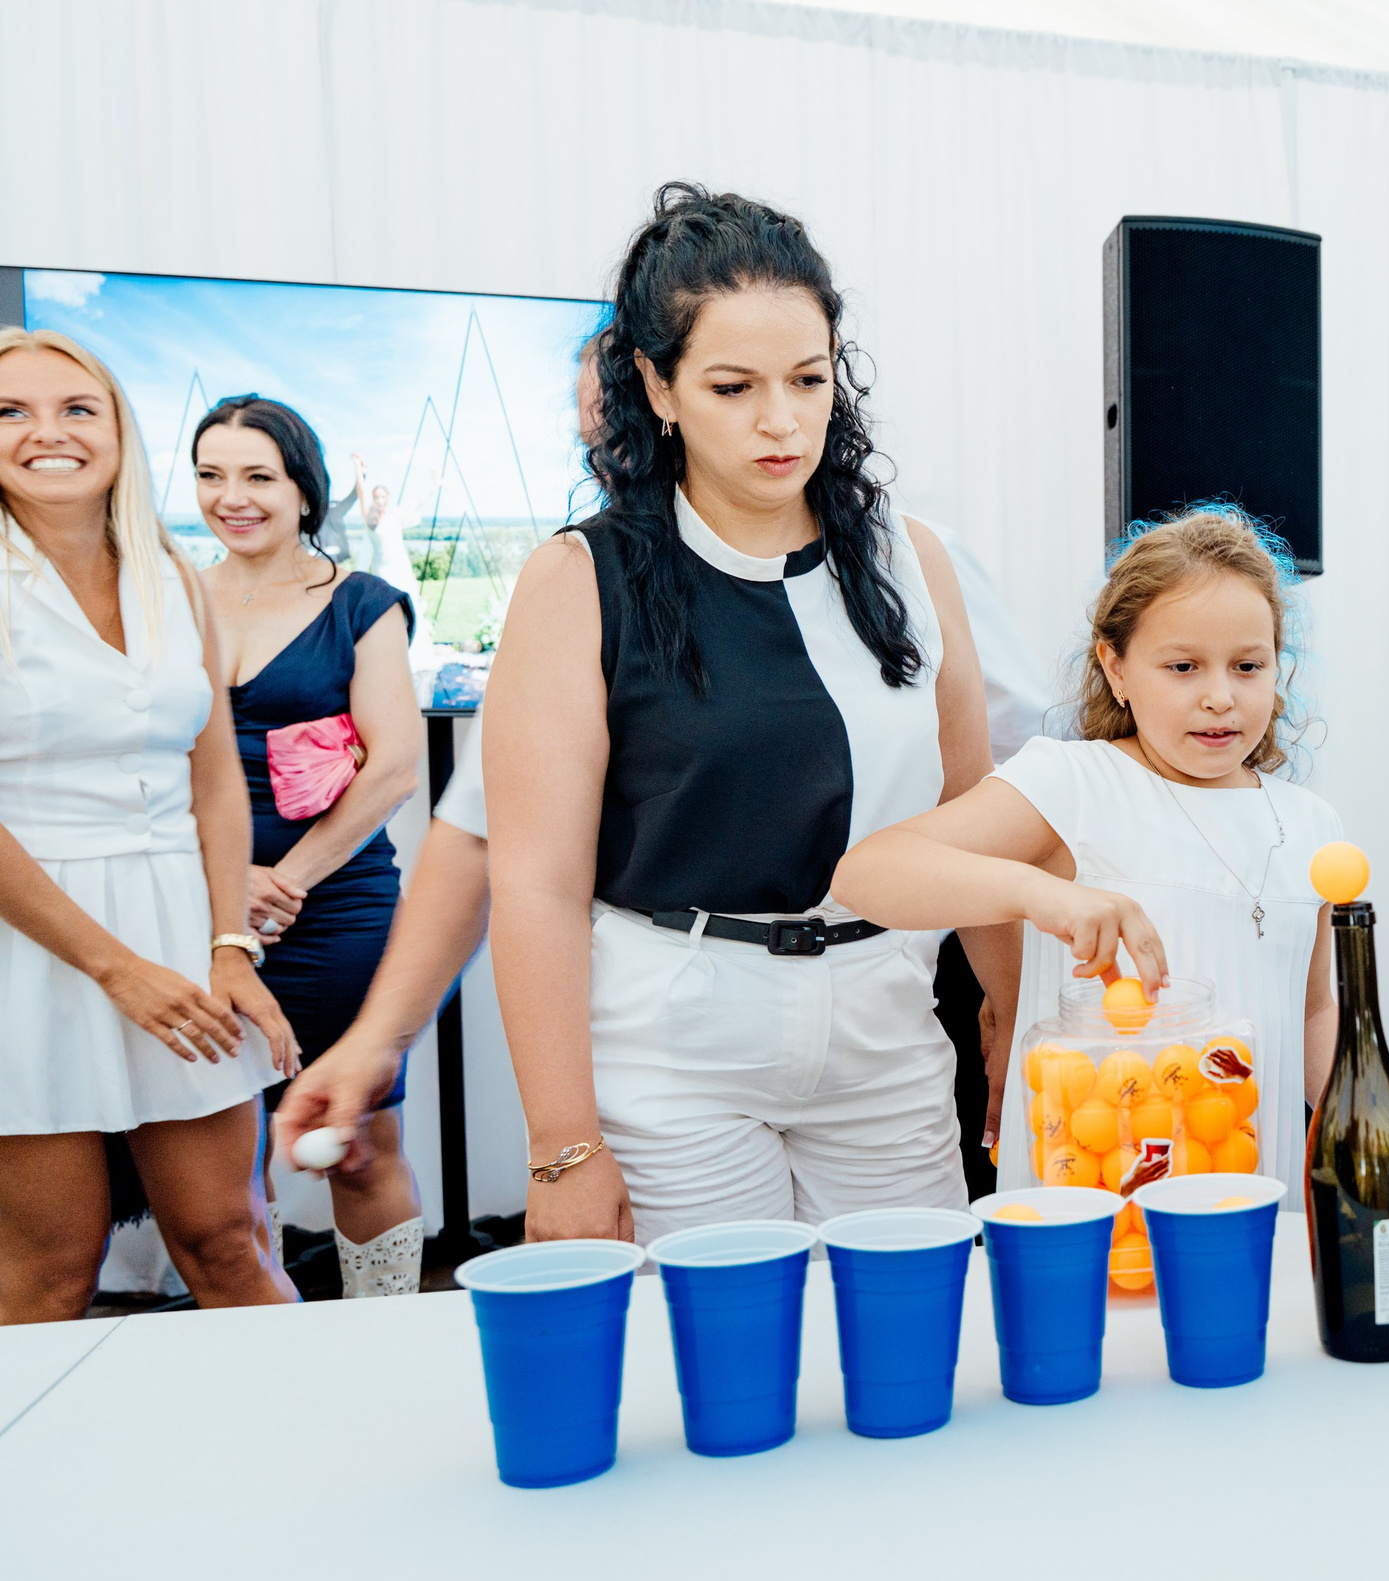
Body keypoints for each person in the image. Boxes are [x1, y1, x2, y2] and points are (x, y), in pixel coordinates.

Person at [485, 183, 1018, 1245]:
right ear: (658, 385)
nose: (782, 421)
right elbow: (537, 883)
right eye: (733, 386)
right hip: (676, 1046)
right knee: (716, 1380)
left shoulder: (911, 560)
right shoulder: (580, 579)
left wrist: (1011, 1017)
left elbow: (973, 807)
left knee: (905, 1361)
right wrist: (563, 1148)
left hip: (886, 1030)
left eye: (807, 380)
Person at [836, 506, 1341, 1201]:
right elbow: (868, 874)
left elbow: (1313, 1010)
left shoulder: (1310, 824)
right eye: (1183, 666)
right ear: (1117, 667)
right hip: (1093, 1192)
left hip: (1250, 1193)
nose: (1220, 697)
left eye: (1248, 666)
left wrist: (1358, 1124)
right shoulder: (1070, 785)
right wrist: (1040, 893)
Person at [0, 329, 299, 1320]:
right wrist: (114, 967)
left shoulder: (171, 571)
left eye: (77, 408)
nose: (49, 432)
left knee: (228, 1238)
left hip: (180, 920)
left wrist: (229, 947)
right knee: (49, 1269)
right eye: (11, 412)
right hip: (28, 945)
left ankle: (330, 1448)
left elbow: (214, 776)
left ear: (118, 429)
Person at [194, 395, 428, 1294]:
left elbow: (395, 767)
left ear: (304, 490)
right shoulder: (167, 595)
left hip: (337, 916)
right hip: (198, 916)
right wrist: (225, 888)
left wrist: (278, 883)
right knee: (222, 1164)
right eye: (211, 475)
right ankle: (269, 1355)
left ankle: (388, 1338)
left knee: (357, 1144)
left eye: (258, 475)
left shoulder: (361, 603)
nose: (233, 497)